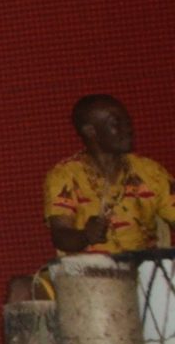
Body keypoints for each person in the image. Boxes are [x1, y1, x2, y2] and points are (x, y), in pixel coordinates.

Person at [42, 95, 175, 257]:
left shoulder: (150, 171)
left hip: (145, 270)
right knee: (20, 284)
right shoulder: (65, 175)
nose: (127, 128)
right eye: (115, 123)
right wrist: (85, 235)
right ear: (91, 131)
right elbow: (61, 235)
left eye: (126, 122)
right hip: (90, 273)